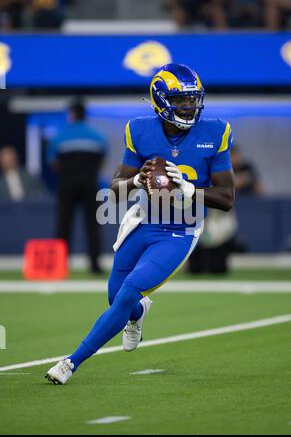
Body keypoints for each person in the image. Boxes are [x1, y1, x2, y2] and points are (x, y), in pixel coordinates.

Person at [46, 63, 235, 385]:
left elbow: (227, 198)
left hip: (180, 230)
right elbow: (115, 187)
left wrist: (191, 190)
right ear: (161, 101)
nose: (189, 106)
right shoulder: (140, 130)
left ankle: (71, 362)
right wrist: (136, 180)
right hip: (144, 222)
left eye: (193, 99)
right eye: (181, 100)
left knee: (129, 291)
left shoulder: (216, 131)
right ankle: (137, 315)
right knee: (116, 297)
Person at [47, 100, 107, 274]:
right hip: (89, 183)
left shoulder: (59, 137)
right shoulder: (98, 136)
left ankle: (59, 265)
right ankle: (95, 266)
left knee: (63, 224)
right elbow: (101, 161)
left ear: (72, 114)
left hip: (67, 183)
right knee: (93, 226)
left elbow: (53, 163)